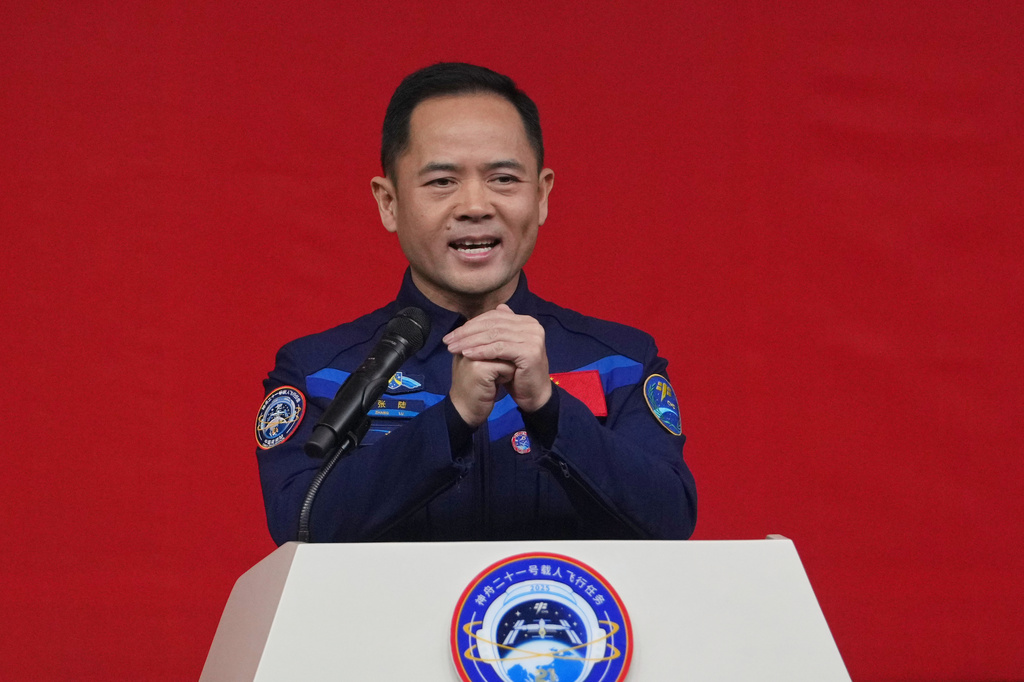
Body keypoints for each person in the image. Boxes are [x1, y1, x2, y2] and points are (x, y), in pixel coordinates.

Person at [255, 63, 696, 544]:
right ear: (389, 202)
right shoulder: (322, 370)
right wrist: (454, 416)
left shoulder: (620, 362)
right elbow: (298, 524)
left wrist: (547, 407)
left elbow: (670, 521)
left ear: (542, 195)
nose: (475, 205)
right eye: (442, 181)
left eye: (504, 179)